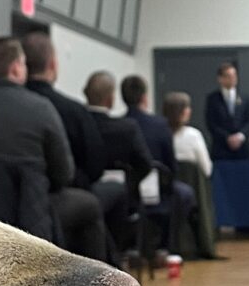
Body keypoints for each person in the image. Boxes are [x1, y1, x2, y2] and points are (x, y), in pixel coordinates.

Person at [0, 37, 106, 260]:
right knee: (90, 206)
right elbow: (63, 174)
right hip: (31, 219)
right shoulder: (40, 109)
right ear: (17, 67)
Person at [122, 74, 195, 262]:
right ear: (145, 98)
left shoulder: (119, 125)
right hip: (159, 192)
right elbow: (171, 165)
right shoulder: (160, 125)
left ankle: (133, 245)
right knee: (184, 193)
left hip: (127, 193)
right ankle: (165, 246)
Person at [23, 31, 106, 193]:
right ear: (52, 64)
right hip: (65, 195)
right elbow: (95, 166)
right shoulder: (75, 111)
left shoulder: (5, 109)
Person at [84, 69, 156, 255]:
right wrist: (131, 183)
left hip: (84, 192)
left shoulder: (78, 123)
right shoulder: (126, 128)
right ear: (110, 99)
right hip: (124, 201)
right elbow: (145, 163)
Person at [164, 91, 220, 260]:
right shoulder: (194, 136)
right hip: (194, 193)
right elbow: (207, 168)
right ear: (182, 111)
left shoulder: (161, 133)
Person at [205, 63, 249, 160]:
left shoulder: (245, 98)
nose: (232, 79)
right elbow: (211, 123)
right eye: (228, 76)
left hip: (242, 149)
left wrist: (240, 136)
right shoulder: (212, 99)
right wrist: (227, 138)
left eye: (234, 75)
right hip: (221, 148)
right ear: (220, 79)